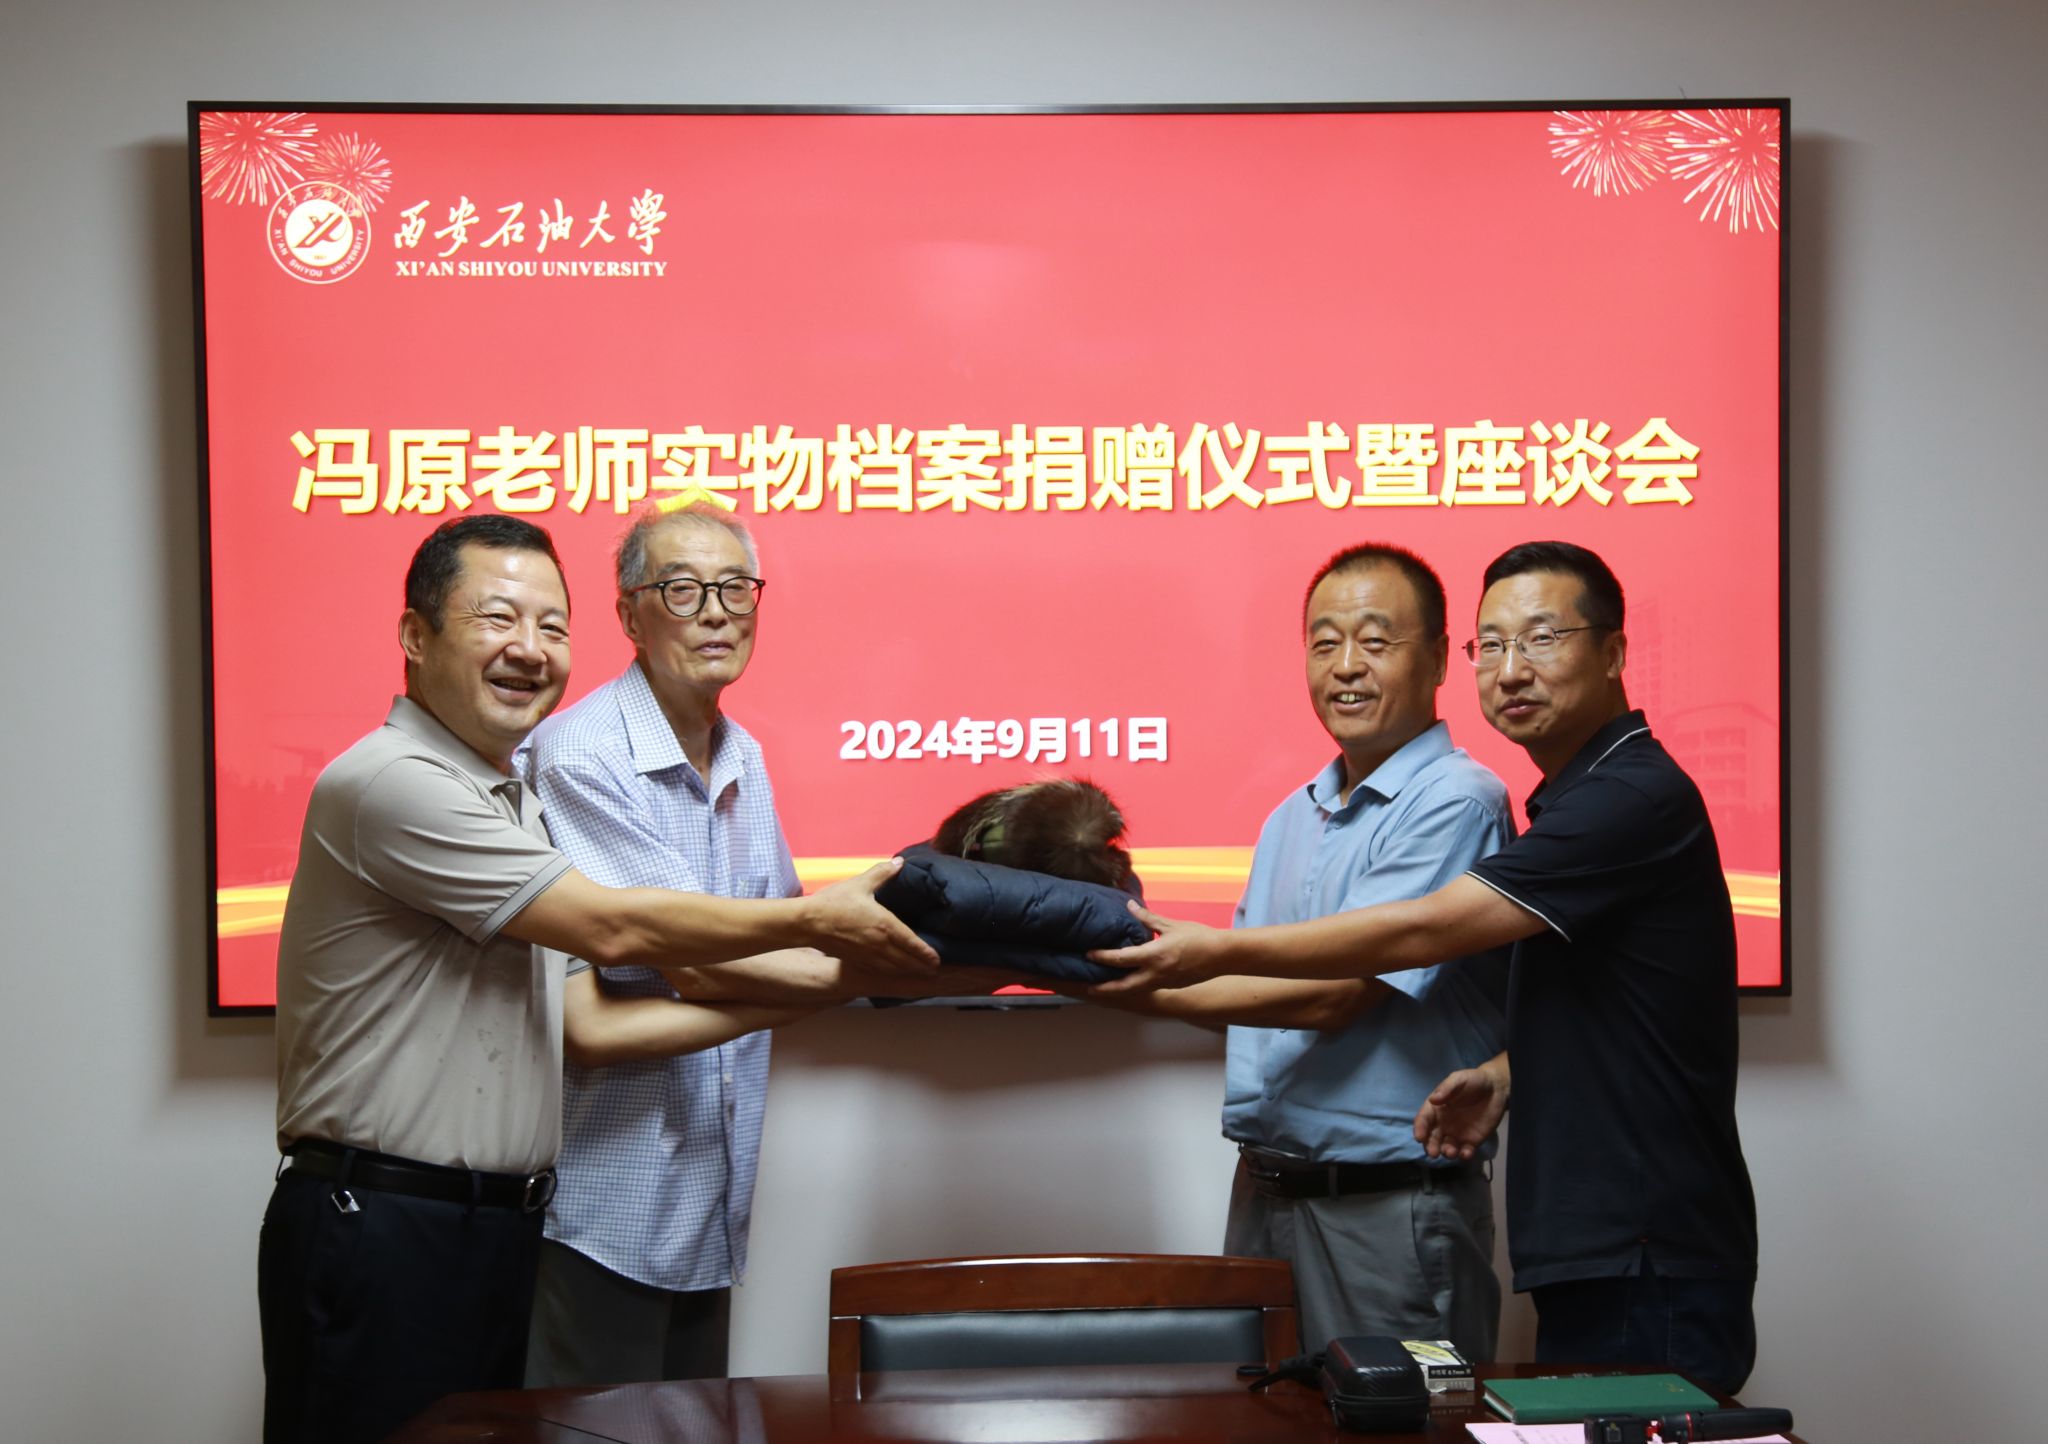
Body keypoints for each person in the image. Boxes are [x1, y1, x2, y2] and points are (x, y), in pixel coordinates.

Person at [258, 514, 939, 1444]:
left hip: (506, 1223)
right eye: (497, 618)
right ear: (416, 634)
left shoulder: (511, 797)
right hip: (388, 1218)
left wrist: (896, 964)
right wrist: (821, 927)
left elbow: (605, 1011)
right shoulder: (397, 782)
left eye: (551, 625)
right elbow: (626, 932)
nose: (529, 649)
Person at [1095, 541, 1758, 1393]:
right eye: (1497, 645)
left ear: (1614, 652)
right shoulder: (1569, 801)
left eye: (1543, 639)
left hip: (1638, 1241)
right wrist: (1506, 1072)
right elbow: (1613, 1005)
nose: (1512, 671)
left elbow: (1419, 933)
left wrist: (1206, 949)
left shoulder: (1620, 797)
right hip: (1587, 1238)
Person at [1074, 544, 1514, 1361]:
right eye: (1324, 643)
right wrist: (1088, 970)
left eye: (1375, 642)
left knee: (1402, 1419)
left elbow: (1331, 995)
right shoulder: (1290, 817)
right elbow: (1239, 992)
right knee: (1258, 1414)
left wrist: (1119, 974)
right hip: (1268, 1190)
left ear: (1436, 658)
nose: (1345, 667)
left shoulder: (1457, 801)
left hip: (1387, 1209)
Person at [521, 504, 826, 1384]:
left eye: (735, 588)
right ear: (629, 614)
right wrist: (848, 972)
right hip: (604, 1214)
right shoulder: (581, 756)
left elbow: (779, 936)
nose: (716, 613)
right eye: (683, 590)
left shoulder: (744, 757)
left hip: (709, 1206)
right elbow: (697, 962)